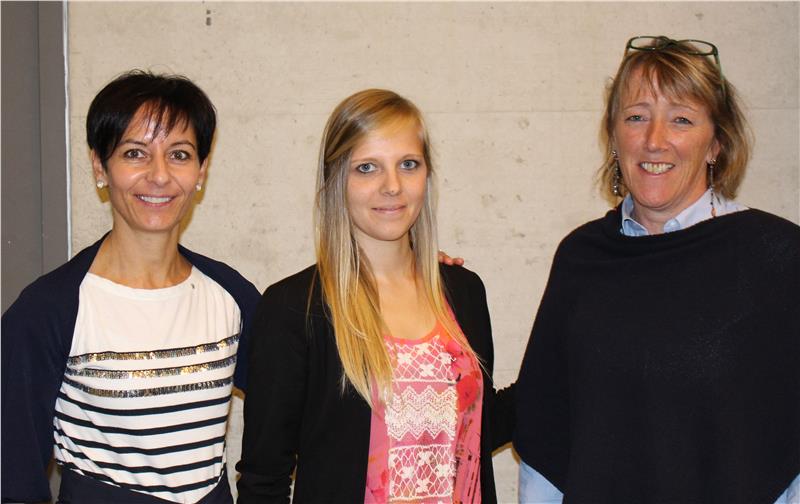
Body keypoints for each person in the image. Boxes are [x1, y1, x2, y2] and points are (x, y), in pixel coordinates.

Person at [514, 36, 799, 503]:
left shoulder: (777, 258)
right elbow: (547, 433)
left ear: (716, 143)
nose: (654, 140)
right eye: (636, 117)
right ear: (613, 137)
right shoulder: (581, 258)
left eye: (681, 119)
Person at [236, 89, 514, 503]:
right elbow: (264, 479)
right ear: (336, 180)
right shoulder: (294, 308)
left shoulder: (464, 291)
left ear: (427, 175)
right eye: (367, 168)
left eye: (408, 164)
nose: (392, 186)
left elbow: (476, 430)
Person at [1, 70, 260, 503]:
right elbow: (13, 478)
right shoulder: (49, 309)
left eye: (179, 155)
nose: (159, 176)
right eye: (135, 153)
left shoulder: (232, 296)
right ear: (100, 166)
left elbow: (293, 414)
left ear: (201, 170)